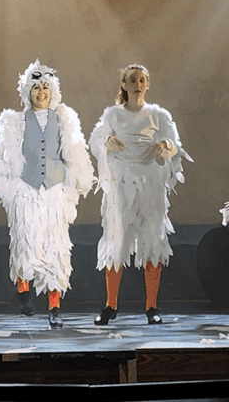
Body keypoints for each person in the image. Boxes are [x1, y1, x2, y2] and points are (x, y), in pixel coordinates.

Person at [0, 61, 94, 328]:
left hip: (54, 191)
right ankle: (24, 293)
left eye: (45, 87)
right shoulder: (14, 121)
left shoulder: (64, 118)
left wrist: (79, 179)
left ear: (52, 91)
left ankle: (54, 308)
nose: (41, 92)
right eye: (35, 87)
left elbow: (75, 151)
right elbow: (3, 155)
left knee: (55, 248)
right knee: (25, 242)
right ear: (27, 92)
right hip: (26, 190)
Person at [89, 64, 190, 326]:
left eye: (142, 80)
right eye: (132, 80)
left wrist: (165, 145)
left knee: (152, 241)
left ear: (147, 84)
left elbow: (173, 145)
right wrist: (105, 142)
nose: (137, 84)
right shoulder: (112, 114)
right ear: (124, 84)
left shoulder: (159, 115)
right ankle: (111, 305)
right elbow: (96, 139)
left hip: (150, 183)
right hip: (122, 184)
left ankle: (152, 306)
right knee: (117, 240)